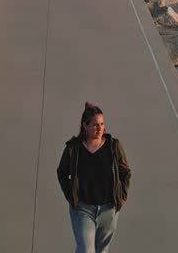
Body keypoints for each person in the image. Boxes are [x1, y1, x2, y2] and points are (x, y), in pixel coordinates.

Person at [57, 102, 132, 253]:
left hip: (109, 210)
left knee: (101, 250)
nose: (99, 129)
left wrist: (122, 196)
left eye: (102, 124)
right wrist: (70, 196)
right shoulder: (73, 148)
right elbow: (62, 172)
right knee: (86, 250)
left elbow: (125, 172)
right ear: (85, 126)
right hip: (83, 209)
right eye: (95, 125)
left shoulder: (113, 146)